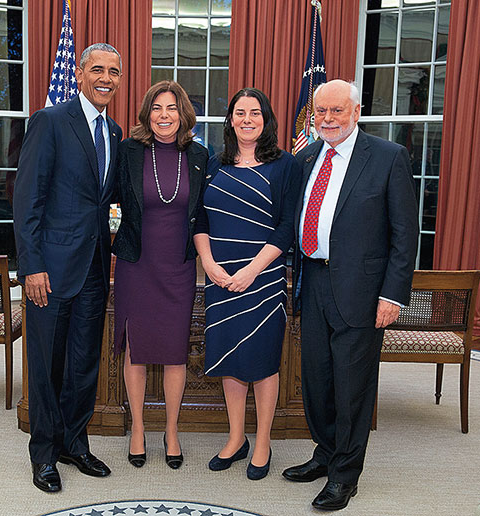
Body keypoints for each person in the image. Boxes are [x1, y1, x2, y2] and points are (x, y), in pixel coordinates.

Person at [282, 79, 418, 510]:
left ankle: (345, 475)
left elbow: (404, 235)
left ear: (356, 112)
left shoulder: (388, 157)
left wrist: (392, 296)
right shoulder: (306, 158)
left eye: (337, 111)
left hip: (363, 291)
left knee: (353, 386)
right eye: (320, 112)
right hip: (313, 284)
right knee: (317, 381)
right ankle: (325, 453)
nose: (327, 120)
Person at [13, 43, 123, 493]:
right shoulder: (51, 121)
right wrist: (31, 266)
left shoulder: (114, 132)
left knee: (83, 366)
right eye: (97, 69)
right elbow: (27, 199)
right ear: (79, 73)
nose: (106, 78)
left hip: (95, 272)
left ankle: (75, 443)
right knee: (45, 366)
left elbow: (108, 202)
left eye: (114, 72)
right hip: (50, 274)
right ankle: (43, 455)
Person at [194, 88, 300, 480]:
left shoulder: (285, 165)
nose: (247, 119)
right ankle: (236, 437)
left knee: (262, 362)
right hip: (221, 279)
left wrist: (252, 270)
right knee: (229, 361)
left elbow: (288, 226)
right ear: (230, 119)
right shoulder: (213, 163)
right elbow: (200, 220)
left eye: (255, 113)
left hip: (263, 278)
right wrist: (208, 264)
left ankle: (263, 442)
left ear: (266, 119)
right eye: (240, 112)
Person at [112, 81, 208, 470]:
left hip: (179, 267)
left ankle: (171, 430)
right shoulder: (129, 151)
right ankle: (137, 429)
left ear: (184, 114)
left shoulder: (200, 155)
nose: (164, 115)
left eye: (171, 108)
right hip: (137, 264)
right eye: (157, 108)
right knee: (135, 349)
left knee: (174, 351)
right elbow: (106, 199)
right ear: (146, 113)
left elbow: (206, 212)